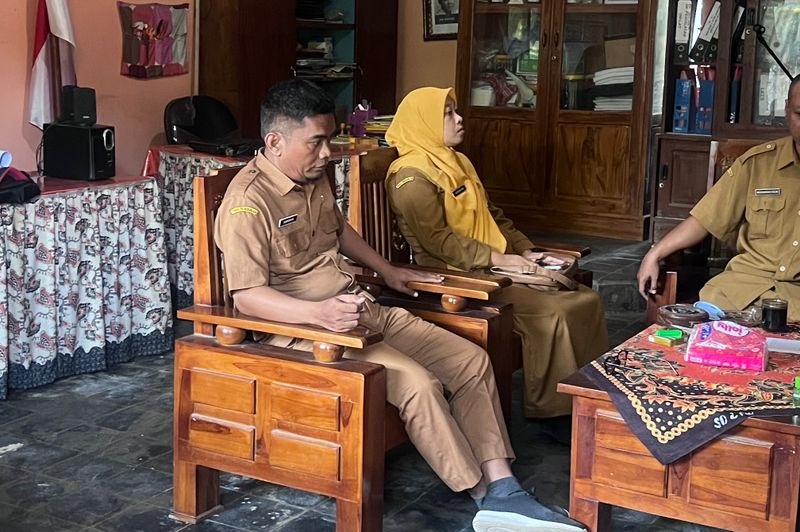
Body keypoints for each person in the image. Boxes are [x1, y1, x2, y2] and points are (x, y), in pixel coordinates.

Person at [214, 79, 587, 532]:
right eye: (316, 142)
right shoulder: (247, 204)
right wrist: (318, 314)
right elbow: (247, 297)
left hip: (360, 308)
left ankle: (503, 485)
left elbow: (340, 230)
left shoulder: (310, 176)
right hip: (307, 330)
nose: (327, 153)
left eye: (329, 140)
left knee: (470, 361)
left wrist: (387, 270)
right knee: (419, 385)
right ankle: (480, 494)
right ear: (275, 142)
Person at [384, 87, 608, 427]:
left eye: (455, 110)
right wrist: (501, 261)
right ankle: (554, 412)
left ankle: (592, 399)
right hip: (457, 275)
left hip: (492, 265)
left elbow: (495, 217)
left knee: (586, 300)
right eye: (447, 113)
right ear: (424, 123)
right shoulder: (411, 177)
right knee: (556, 312)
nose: (459, 118)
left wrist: (525, 250)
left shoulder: (456, 161)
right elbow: (440, 243)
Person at [638, 75, 800, 319]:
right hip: (743, 289)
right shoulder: (757, 164)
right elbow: (705, 219)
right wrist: (655, 254)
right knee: (695, 330)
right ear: (787, 110)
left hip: (796, 299)